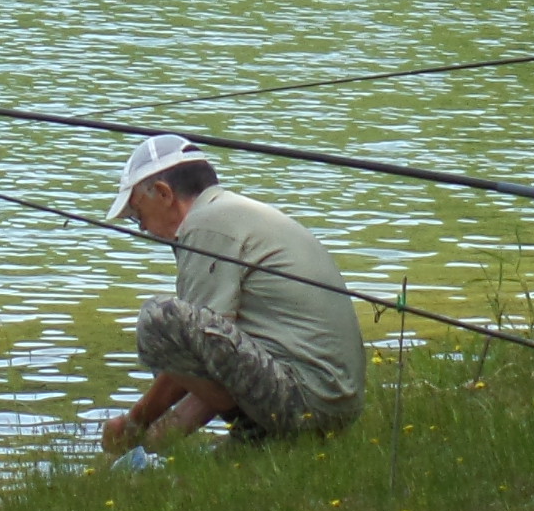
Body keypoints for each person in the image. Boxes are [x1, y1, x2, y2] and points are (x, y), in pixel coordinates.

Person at [97, 135, 370, 450]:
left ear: (163, 193)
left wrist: (134, 423)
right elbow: (217, 356)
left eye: (137, 214)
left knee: (161, 320)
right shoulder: (233, 212)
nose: (142, 228)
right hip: (334, 405)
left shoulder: (205, 225)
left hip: (304, 399)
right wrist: (157, 441)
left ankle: (263, 432)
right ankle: (258, 439)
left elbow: (201, 349)